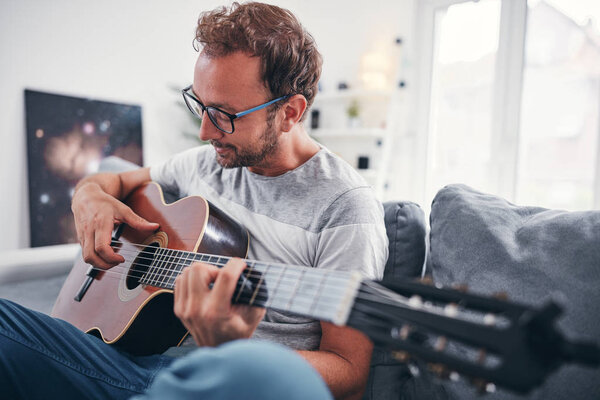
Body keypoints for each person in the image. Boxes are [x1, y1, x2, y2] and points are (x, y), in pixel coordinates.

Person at [0, 2, 388, 399]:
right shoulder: (205, 164)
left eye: (223, 114)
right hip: (129, 359)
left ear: (290, 112)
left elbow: (349, 374)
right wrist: (88, 196)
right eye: (200, 104)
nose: (204, 131)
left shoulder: (346, 207)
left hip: (226, 384)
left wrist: (232, 351)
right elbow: (111, 179)